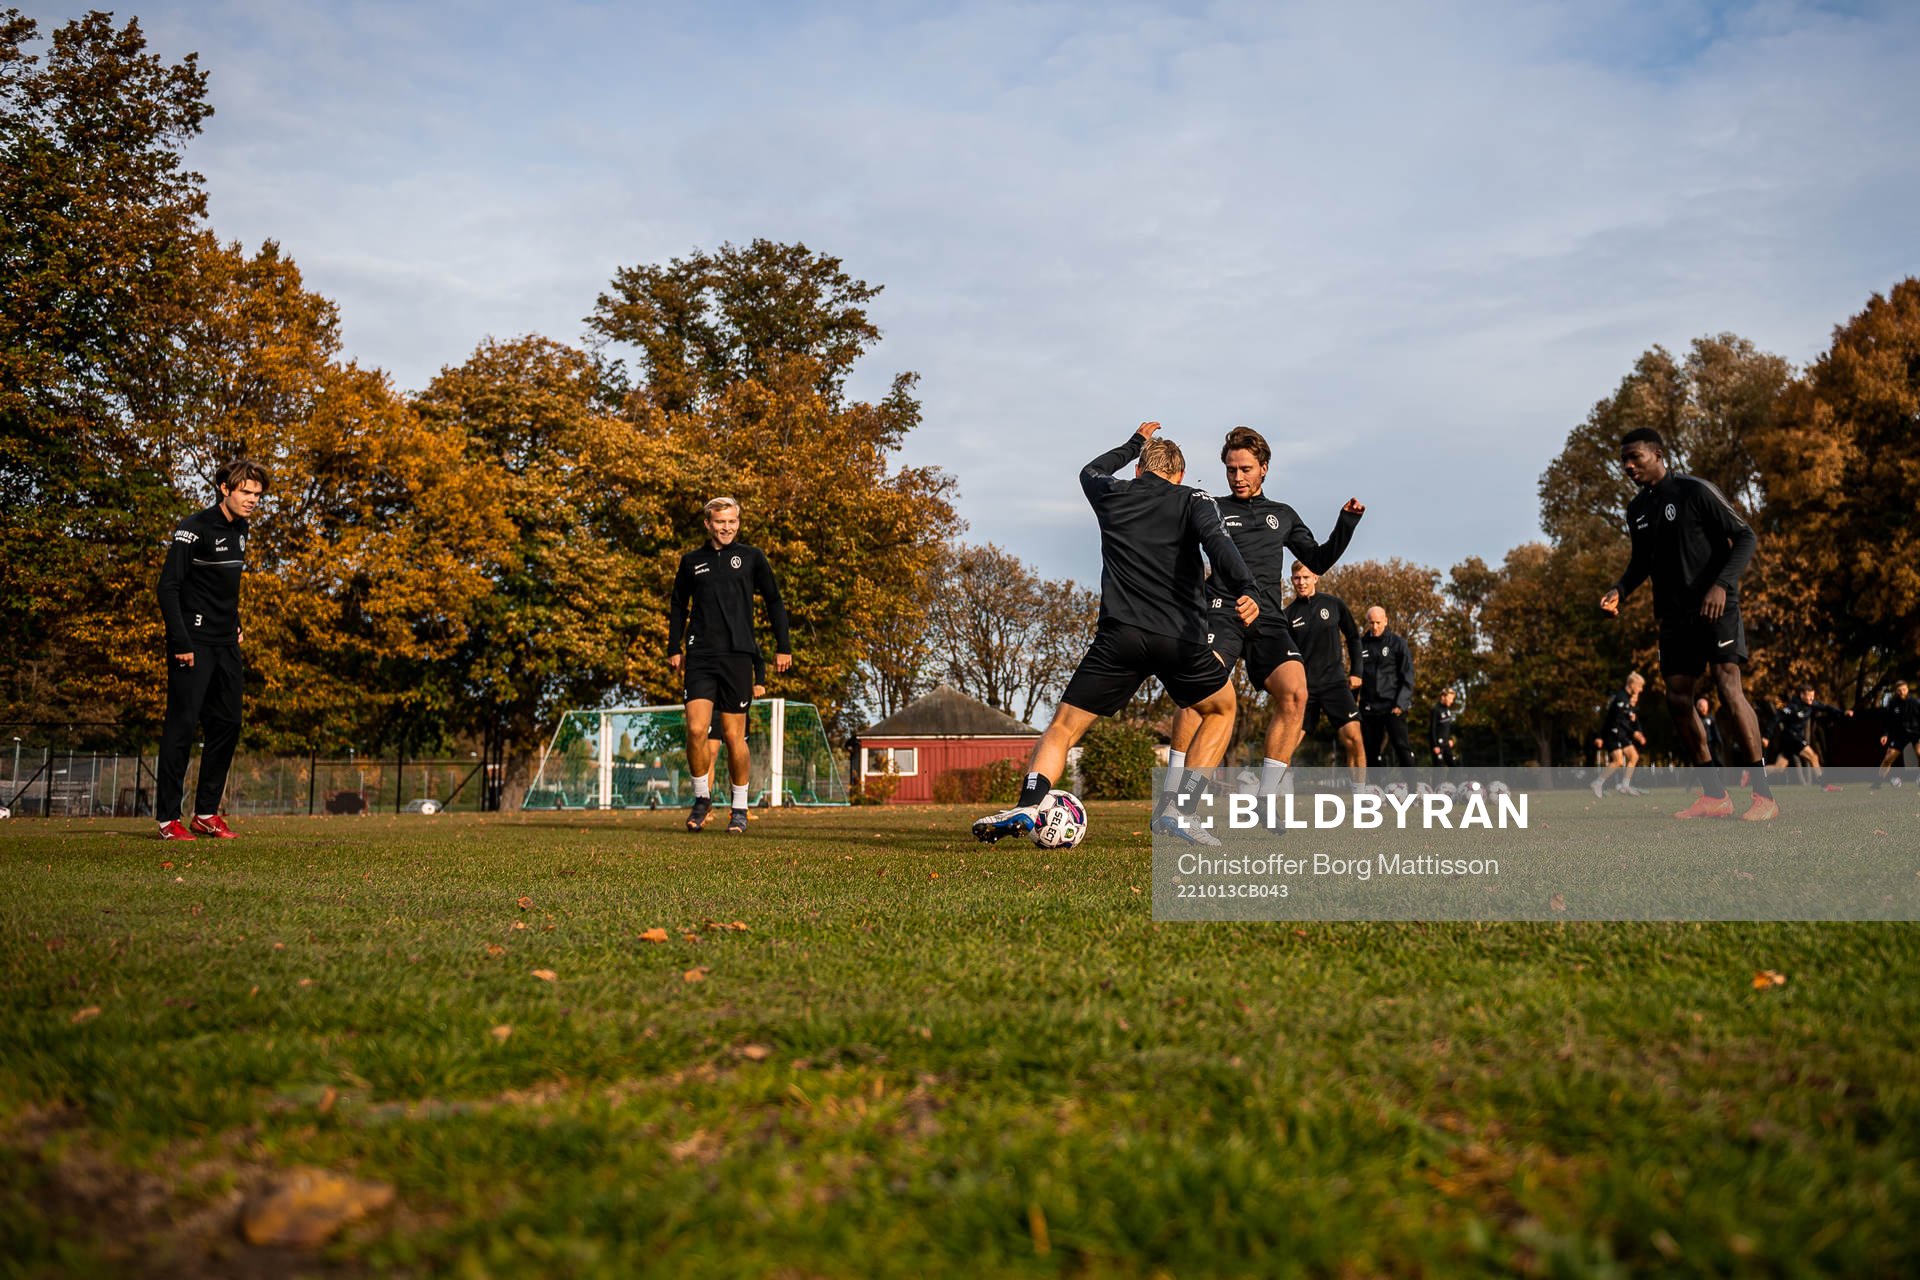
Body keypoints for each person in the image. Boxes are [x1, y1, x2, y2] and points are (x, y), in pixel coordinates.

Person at [973, 423, 1259, 846]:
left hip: (1119, 638)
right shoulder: (1193, 497)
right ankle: (1180, 810)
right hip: (1179, 638)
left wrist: (1133, 443)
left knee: (1063, 729)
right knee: (1221, 711)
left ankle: (1031, 803)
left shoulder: (1113, 492)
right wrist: (1247, 588)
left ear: (1140, 471)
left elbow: (1091, 470)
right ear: (1180, 476)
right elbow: (1219, 545)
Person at [1165, 427, 1363, 801]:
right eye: (1230, 469)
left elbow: (1317, 559)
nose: (1237, 477)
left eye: (1245, 469)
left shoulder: (1282, 515)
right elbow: (1180, 555)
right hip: (1222, 612)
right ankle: (1174, 794)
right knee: (1197, 693)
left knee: (1296, 694)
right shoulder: (1213, 508)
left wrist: (1346, 524)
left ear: (1264, 469)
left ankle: (1266, 798)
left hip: (1269, 620)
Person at [1600, 427, 1775, 820]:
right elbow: (1640, 563)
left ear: (1658, 454)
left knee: (1729, 687)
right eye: (1624, 460)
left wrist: (1722, 586)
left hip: (1716, 606)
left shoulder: (1696, 491)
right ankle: (1715, 796)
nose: (1628, 466)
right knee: (1678, 699)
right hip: (1674, 616)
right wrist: (1619, 591)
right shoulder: (1637, 510)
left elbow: (1745, 536)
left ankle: (1764, 796)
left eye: (1635, 458)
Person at [154, 459, 270, 840]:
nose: (252, 500)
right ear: (225, 488)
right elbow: (168, 587)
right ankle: (168, 819)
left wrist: (234, 623)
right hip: (193, 644)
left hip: (225, 644)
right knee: (182, 728)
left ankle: (205, 813)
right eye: (246, 492)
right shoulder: (193, 528)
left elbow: (224, 588)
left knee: (229, 723)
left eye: (257, 494)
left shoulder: (242, 529)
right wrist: (181, 641)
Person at [668, 497, 791, 834]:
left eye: (732, 521)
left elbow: (774, 600)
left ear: (738, 522)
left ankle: (739, 807)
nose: (726, 527)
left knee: (735, 736)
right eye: (720, 522)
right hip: (701, 656)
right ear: (708, 524)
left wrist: (783, 646)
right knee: (696, 730)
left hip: (737, 656)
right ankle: (701, 798)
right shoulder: (692, 561)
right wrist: (673, 646)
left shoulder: (752, 557)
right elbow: (678, 603)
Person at [1284, 563, 1367, 782]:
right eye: (1296, 578)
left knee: (1354, 739)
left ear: (1316, 577)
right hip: (1304, 689)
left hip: (1335, 684)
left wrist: (1357, 671)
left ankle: (1360, 800)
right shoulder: (1288, 615)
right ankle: (1274, 799)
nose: (1301, 582)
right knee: (1284, 747)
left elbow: (1353, 637)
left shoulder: (1333, 605)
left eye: (1305, 577)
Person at [1357, 606, 1415, 781]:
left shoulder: (1398, 643)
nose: (1375, 626)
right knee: (1371, 749)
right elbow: (1355, 676)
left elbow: (1408, 675)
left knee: (1401, 746)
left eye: (1378, 622)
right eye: (1371, 623)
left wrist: (1400, 703)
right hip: (1369, 707)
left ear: (1386, 621)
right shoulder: (1360, 645)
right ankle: (1376, 791)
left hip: (1392, 706)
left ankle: (1413, 789)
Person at [1763, 684, 1850, 790]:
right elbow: (1776, 718)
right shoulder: (1791, 707)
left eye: (1813, 696)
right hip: (1791, 737)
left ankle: (1755, 773)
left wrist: (1843, 712)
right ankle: (1824, 785)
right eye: (1809, 696)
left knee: (1779, 768)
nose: (1812, 699)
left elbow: (1826, 708)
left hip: (1792, 740)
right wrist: (1767, 736)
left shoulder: (1811, 704)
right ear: (1802, 695)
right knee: (1813, 757)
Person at [1590, 673, 1648, 798]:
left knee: (1634, 756)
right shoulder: (1621, 698)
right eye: (1640, 686)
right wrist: (1634, 733)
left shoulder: (1627, 699)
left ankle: (1624, 785)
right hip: (1613, 734)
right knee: (1618, 761)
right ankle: (1597, 783)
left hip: (1621, 734)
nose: (1641, 689)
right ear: (1632, 684)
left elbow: (1626, 720)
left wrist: (1635, 728)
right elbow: (1616, 720)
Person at [1872, 679, 1919, 791]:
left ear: (1907, 689)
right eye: (1899, 690)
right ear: (1896, 691)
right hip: (1900, 735)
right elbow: (1887, 721)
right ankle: (1878, 783)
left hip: (1915, 733)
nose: (1902, 692)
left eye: (1904, 689)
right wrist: (1885, 734)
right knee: (1888, 758)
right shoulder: (1892, 704)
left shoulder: (1915, 702)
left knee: (1919, 752)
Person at [1428, 687, 1461, 775]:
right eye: (1450, 698)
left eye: (1452, 699)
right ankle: (1436, 788)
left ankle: (1449, 786)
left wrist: (1450, 739)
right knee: (1438, 769)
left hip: (1446, 744)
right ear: (1443, 697)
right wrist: (1435, 745)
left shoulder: (1447, 710)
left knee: (1454, 767)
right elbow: (1432, 729)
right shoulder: (1435, 710)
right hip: (1438, 745)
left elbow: (1447, 727)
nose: (1452, 701)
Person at [1696, 696, 1724, 767]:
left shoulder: (1711, 718)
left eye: (1706, 706)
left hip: (1711, 745)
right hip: (1701, 747)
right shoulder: (1696, 720)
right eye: (1702, 706)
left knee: (1718, 762)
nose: (1704, 709)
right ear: (1697, 707)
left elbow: (1715, 731)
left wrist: (1719, 741)